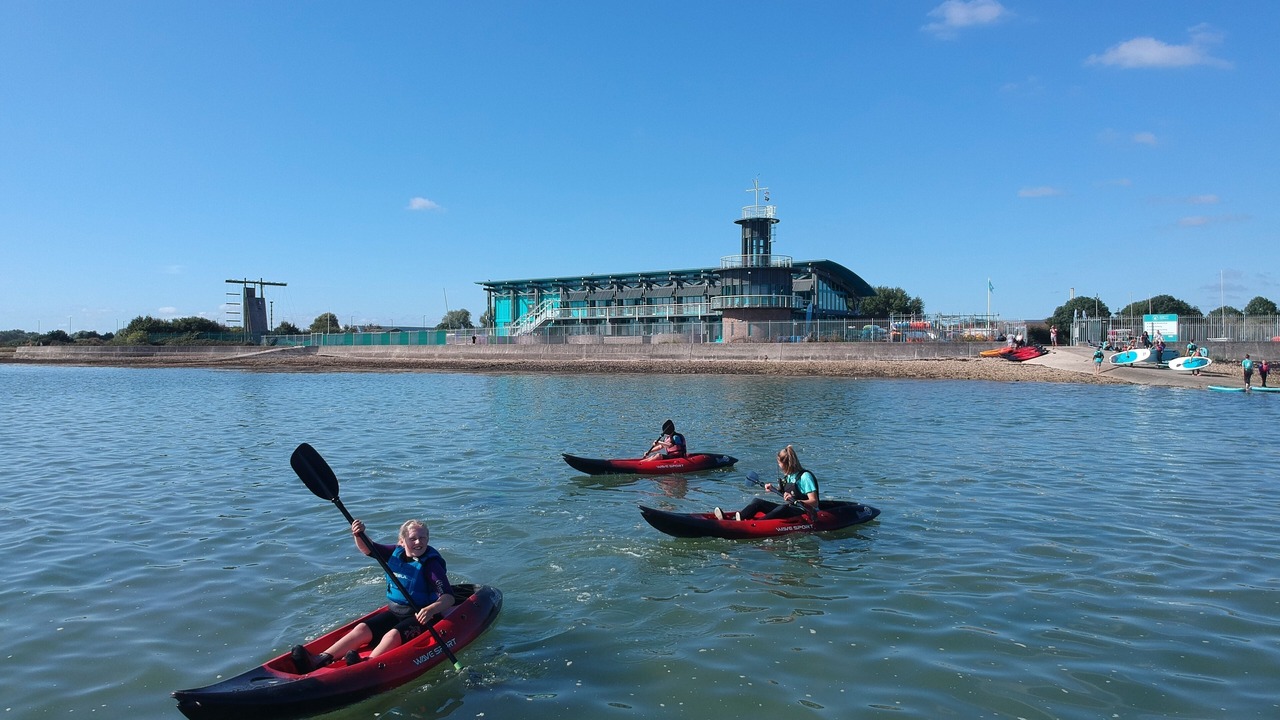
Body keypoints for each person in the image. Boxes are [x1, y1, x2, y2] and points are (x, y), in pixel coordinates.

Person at [291, 518, 454, 673]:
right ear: (402, 541)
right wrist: (359, 534)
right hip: (396, 612)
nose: (418, 542)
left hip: (422, 617)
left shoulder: (431, 565)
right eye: (413, 538)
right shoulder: (394, 553)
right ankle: (320, 659)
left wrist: (432, 609)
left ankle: (367, 664)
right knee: (362, 628)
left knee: (392, 635)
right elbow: (368, 548)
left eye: (423, 538)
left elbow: (448, 597)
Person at [714, 445, 818, 522]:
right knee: (757, 502)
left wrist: (795, 500)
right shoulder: (789, 476)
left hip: (805, 511)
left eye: (779, 463)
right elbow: (785, 493)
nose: (779, 466)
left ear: (786, 464)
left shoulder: (805, 477)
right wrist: (774, 489)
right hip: (792, 508)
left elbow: (814, 502)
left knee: (782, 508)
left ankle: (755, 524)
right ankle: (733, 519)